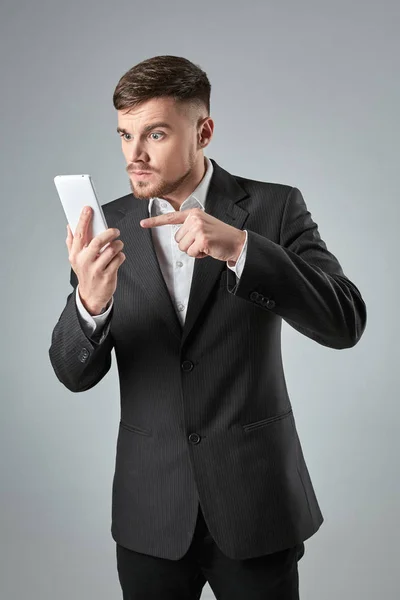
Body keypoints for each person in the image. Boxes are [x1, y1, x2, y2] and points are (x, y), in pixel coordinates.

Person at [49, 55, 367, 599]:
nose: (135, 154)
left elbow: (345, 320)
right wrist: (91, 302)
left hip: (257, 504)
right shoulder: (107, 223)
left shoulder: (273, 208)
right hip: (150, 509)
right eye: (125, 135)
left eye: (154, 133)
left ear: (204, 130)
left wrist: (245, 249)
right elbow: (72, 373)